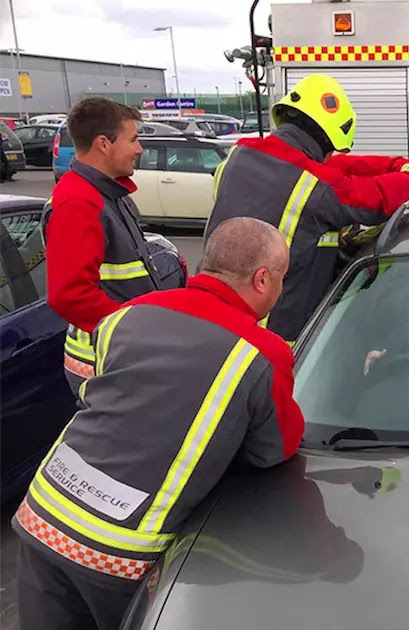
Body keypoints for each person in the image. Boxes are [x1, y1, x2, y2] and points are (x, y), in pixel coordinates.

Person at [13, 217, 306, 630]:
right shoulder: (260, 353)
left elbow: (106, 394)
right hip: (116, 551)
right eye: (281, 278)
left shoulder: (127, 314)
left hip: (43, 513)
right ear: (262, 280)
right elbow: (271, 450)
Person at [205, 73, 409, 345]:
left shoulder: (238, 158)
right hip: (273, 332)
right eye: (332, 150)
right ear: (326, 139)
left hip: (215, 318)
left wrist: (396, 165)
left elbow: (332, 170)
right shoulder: (314, 187)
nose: (333, 156)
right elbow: (376, 199)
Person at [43, 97, 170, 403]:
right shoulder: (78, 204)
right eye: (133, 139)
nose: (139, 149)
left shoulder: (108, 193)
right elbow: (70, 295)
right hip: (106, 363)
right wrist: (138, 329)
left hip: (121, 353)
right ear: (103, 143)